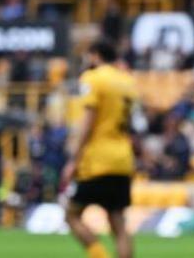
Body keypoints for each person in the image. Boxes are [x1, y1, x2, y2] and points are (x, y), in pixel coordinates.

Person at [62, 39, 138, 258]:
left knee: (71, 215)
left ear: (95, 55)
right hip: (122, 159)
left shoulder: (93, 78)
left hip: (97, 160)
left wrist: (73, 160)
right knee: (119, 224)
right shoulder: (127, 81)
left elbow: (88, 123)